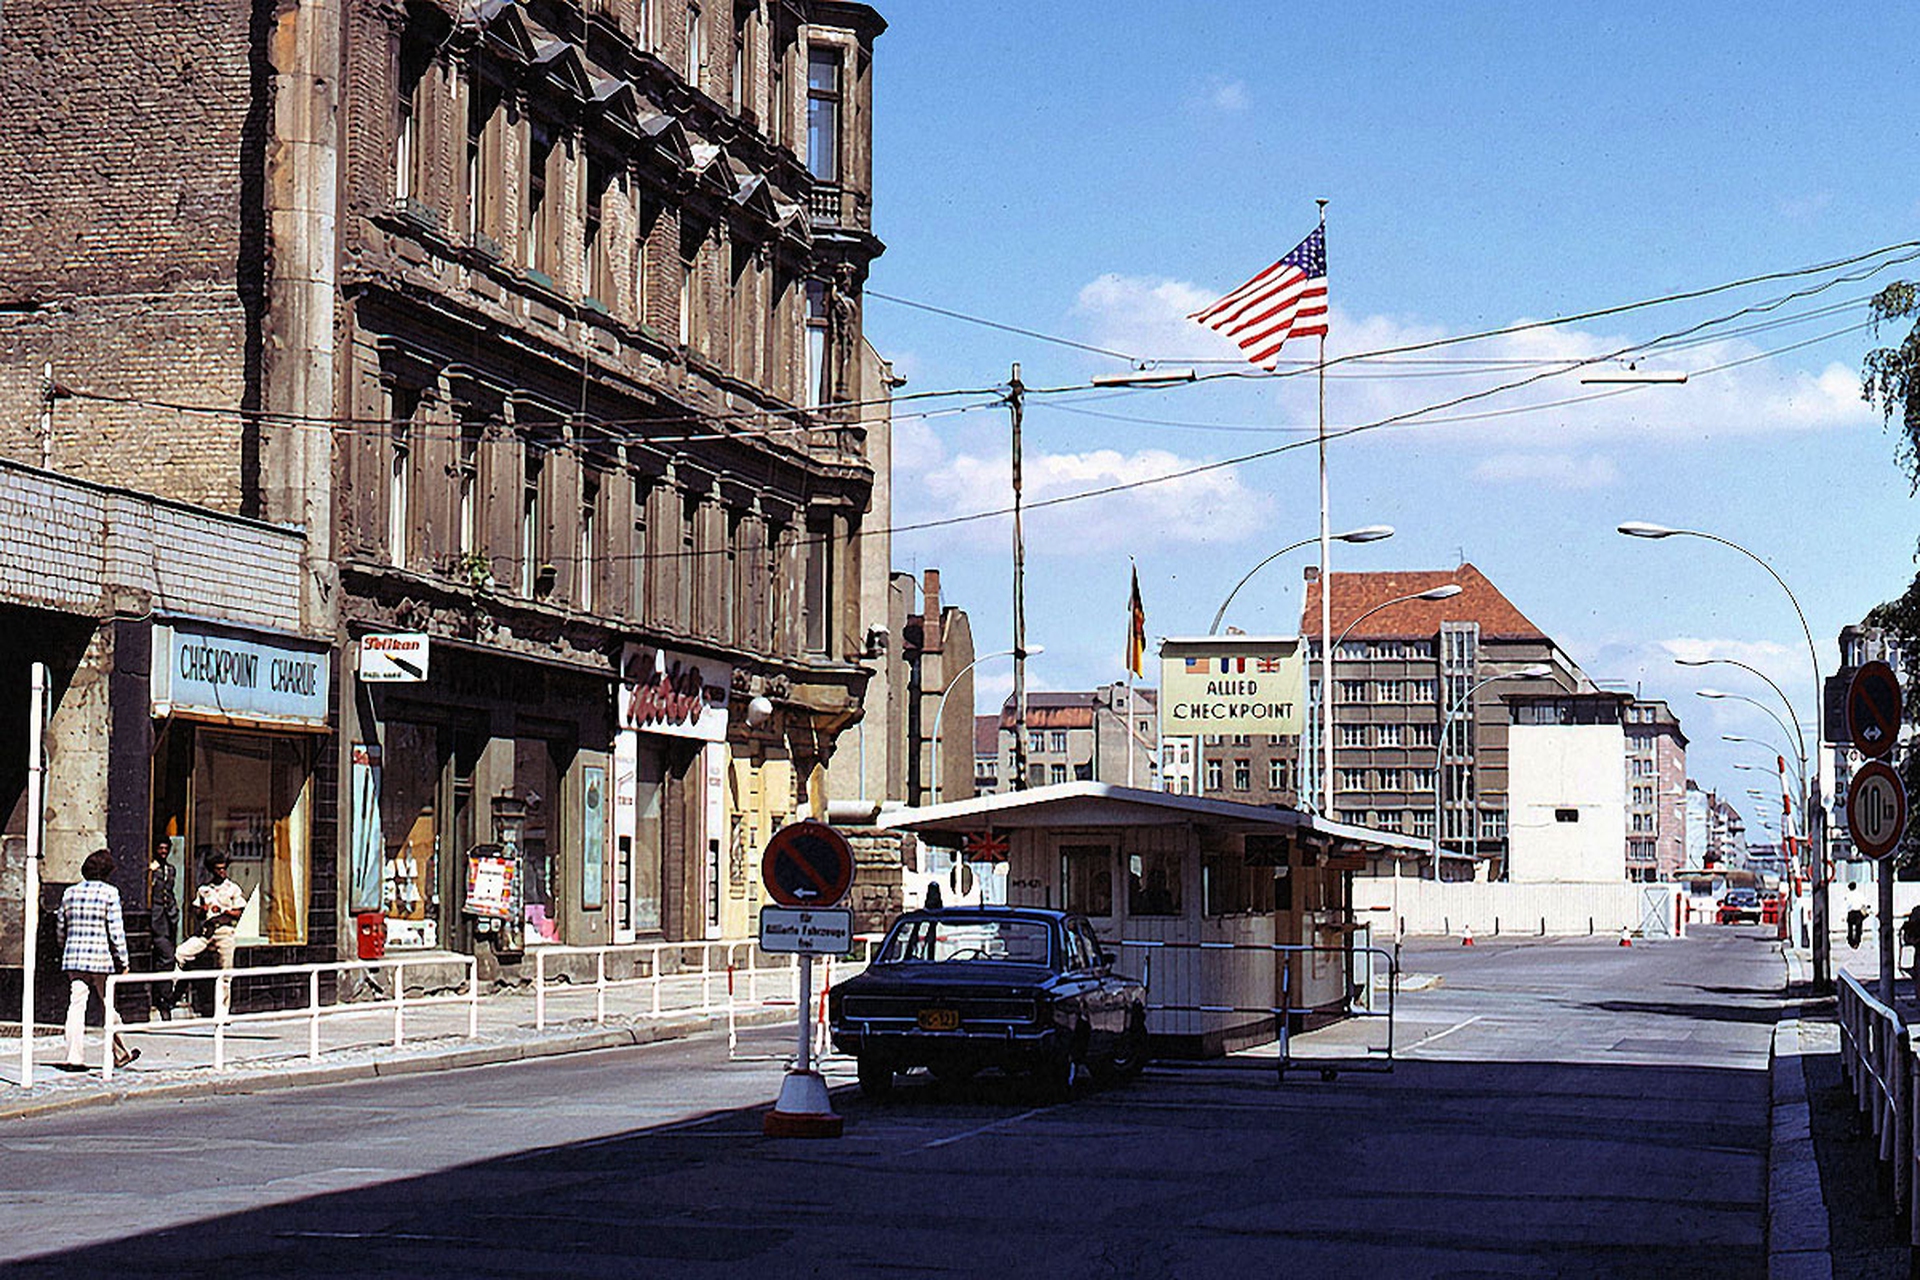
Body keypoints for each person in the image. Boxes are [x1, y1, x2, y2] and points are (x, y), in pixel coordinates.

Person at [56, 849, 136, 1071]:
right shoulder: (110, 893)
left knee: (76, 1004)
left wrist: (65, 947)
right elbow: (116, 931)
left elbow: (61, 925)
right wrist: (123, 961)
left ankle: (74, 1056)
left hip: (74, 956)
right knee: (107, 1003)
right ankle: (120, 1053)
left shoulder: (70, 893)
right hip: (100, 957)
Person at [172, 852, 244, 1008]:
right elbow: (195, 910)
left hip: (225, 931)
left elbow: (239, 912)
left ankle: (223, 1012)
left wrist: (225, 911)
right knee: (181, 953)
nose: (221, 872)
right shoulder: (204, 889)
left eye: (223, 869)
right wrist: (202, 909)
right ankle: (177, 989)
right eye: (218, 869)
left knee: (225, 973)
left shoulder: (233, 889)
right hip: (206, 931)